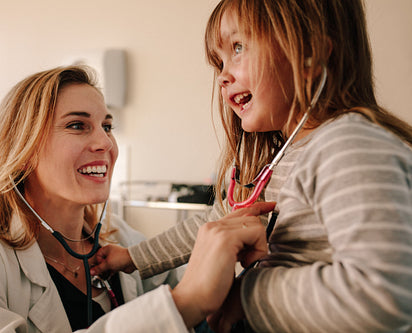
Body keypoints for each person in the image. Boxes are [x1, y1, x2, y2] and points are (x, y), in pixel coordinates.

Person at [91, 1, 412, 332]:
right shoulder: (277, 158)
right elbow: (213, 224)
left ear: (310, 54)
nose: (223, 76)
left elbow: (383, 297)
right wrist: (132, 257)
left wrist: (247, 294)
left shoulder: (349, 147)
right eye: (219, 62)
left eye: (238, 48)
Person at [0, 65, 275, 332]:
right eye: (77, 125)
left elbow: (207, 315)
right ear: (22, 149)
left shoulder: (121, 243)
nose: (105, 143)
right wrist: (183, 304)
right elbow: (187, 300)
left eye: (106, 126)